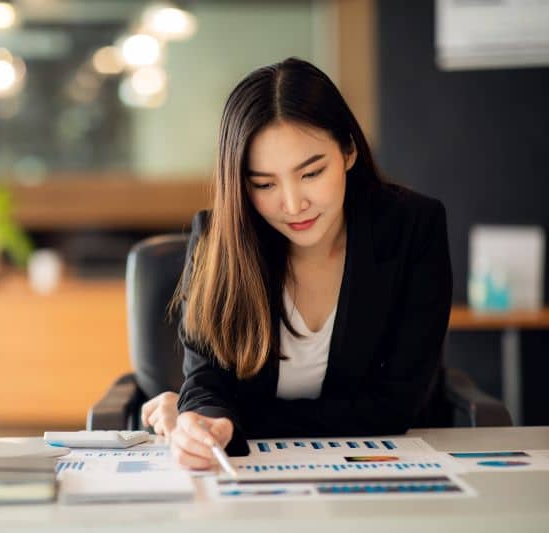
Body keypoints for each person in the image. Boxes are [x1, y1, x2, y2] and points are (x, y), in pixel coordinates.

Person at [141, 57, 452, 469]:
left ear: (349, 150)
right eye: (265, 184)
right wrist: (200, 421)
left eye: (311, 173)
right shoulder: (219, 240)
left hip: (389, 468)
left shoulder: (414, 228)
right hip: (255, 479)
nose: (292, 205)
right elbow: (207, 383)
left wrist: (231, 417)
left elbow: (391, 409)